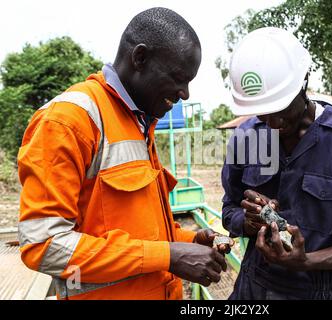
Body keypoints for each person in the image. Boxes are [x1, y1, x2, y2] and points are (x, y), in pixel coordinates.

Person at [17, 7, 229, 300]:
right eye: (179, 78)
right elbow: (44, 245)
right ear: (140, 58)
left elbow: (134, 231)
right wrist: (167, 256)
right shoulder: (68, 120)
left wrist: (189, 239)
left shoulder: (139, 121)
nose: (185, 94)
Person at [221, 27, 332, 300]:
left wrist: (305, 260)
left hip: (315, 291)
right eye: (263, 113)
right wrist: (249, 221)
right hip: (250, 289)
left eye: (281, 109)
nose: (273, 124)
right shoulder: (245, 139)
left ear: (303, 83)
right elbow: (229, 209)